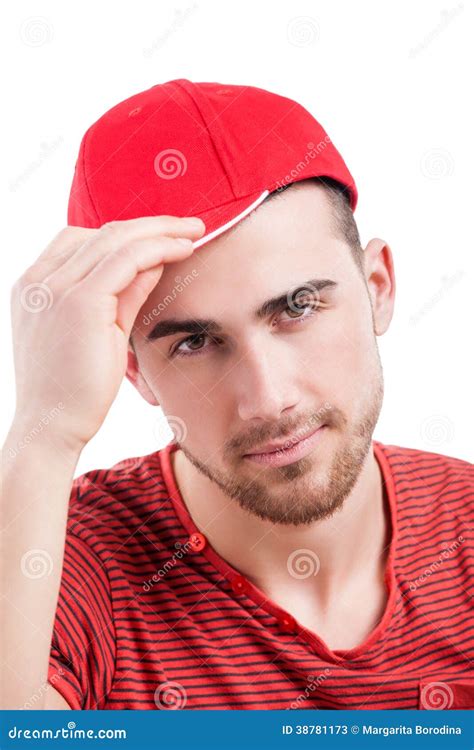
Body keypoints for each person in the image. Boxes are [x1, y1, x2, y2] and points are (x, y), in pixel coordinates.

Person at [2, 79, 472, 711]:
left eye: (299, 306)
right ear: (133, 370)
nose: (267, 399)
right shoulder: (60, 565)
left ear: (378, 287)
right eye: (194, 341)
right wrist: (44, 429)